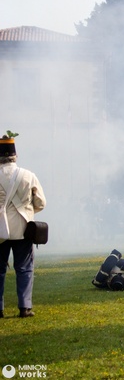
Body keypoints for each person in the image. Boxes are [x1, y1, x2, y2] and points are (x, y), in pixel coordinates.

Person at [0, 133, 46, 318]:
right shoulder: (28, 175)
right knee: (25, 268)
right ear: (15, 156)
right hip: (23, 228)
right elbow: (41, 203)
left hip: (0, 231)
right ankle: (25, 307)